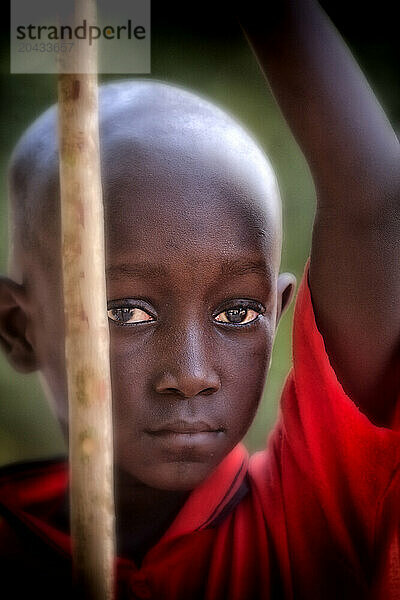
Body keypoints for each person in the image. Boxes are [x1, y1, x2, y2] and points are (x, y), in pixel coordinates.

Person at [0, 0, 399, 598]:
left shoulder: (307, 519)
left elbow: (377, 205)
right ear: (18, 328)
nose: (189, 375)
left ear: (278, 313)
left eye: (236, 314)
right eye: (126, 312)